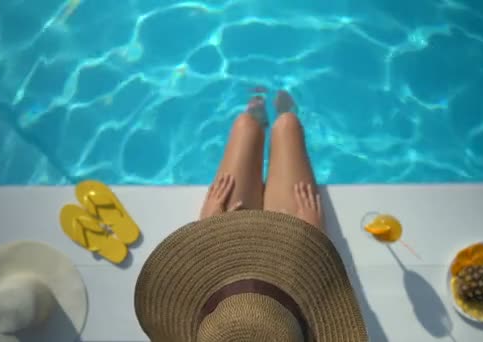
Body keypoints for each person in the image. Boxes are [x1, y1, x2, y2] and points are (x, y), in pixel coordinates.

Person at [134, 91, 368, 341]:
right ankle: (281, 116)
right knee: (287, 127)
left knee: (244, 127)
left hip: (225, 274)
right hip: (291, 271)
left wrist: (210, 226)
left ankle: (257, 116)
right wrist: (313, 235)